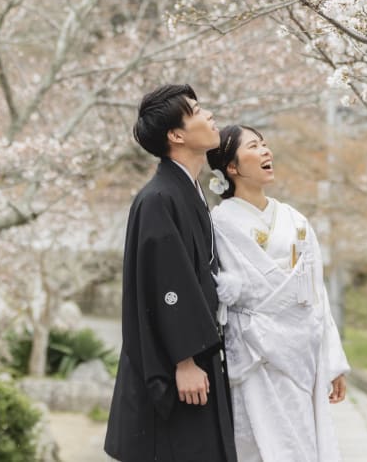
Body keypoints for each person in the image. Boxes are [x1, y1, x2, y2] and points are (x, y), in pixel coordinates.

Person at [104, 84, 237, 462]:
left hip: (197, 356)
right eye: (196, 111)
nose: (209, 115)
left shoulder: (186, 190)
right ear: (176, 135)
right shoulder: (159, 198)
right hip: (178, 366)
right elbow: (167, 286)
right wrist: (185, 360)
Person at [206, 124, 350, 462]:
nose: (266, 151)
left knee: (301, 441)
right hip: (254, 352)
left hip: (301, 351)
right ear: (232, 167)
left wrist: (333, 361)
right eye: (254, 146)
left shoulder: (294, 219)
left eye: (266, 144)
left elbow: (317, 295)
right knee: (255, 444)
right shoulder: (217, 223)